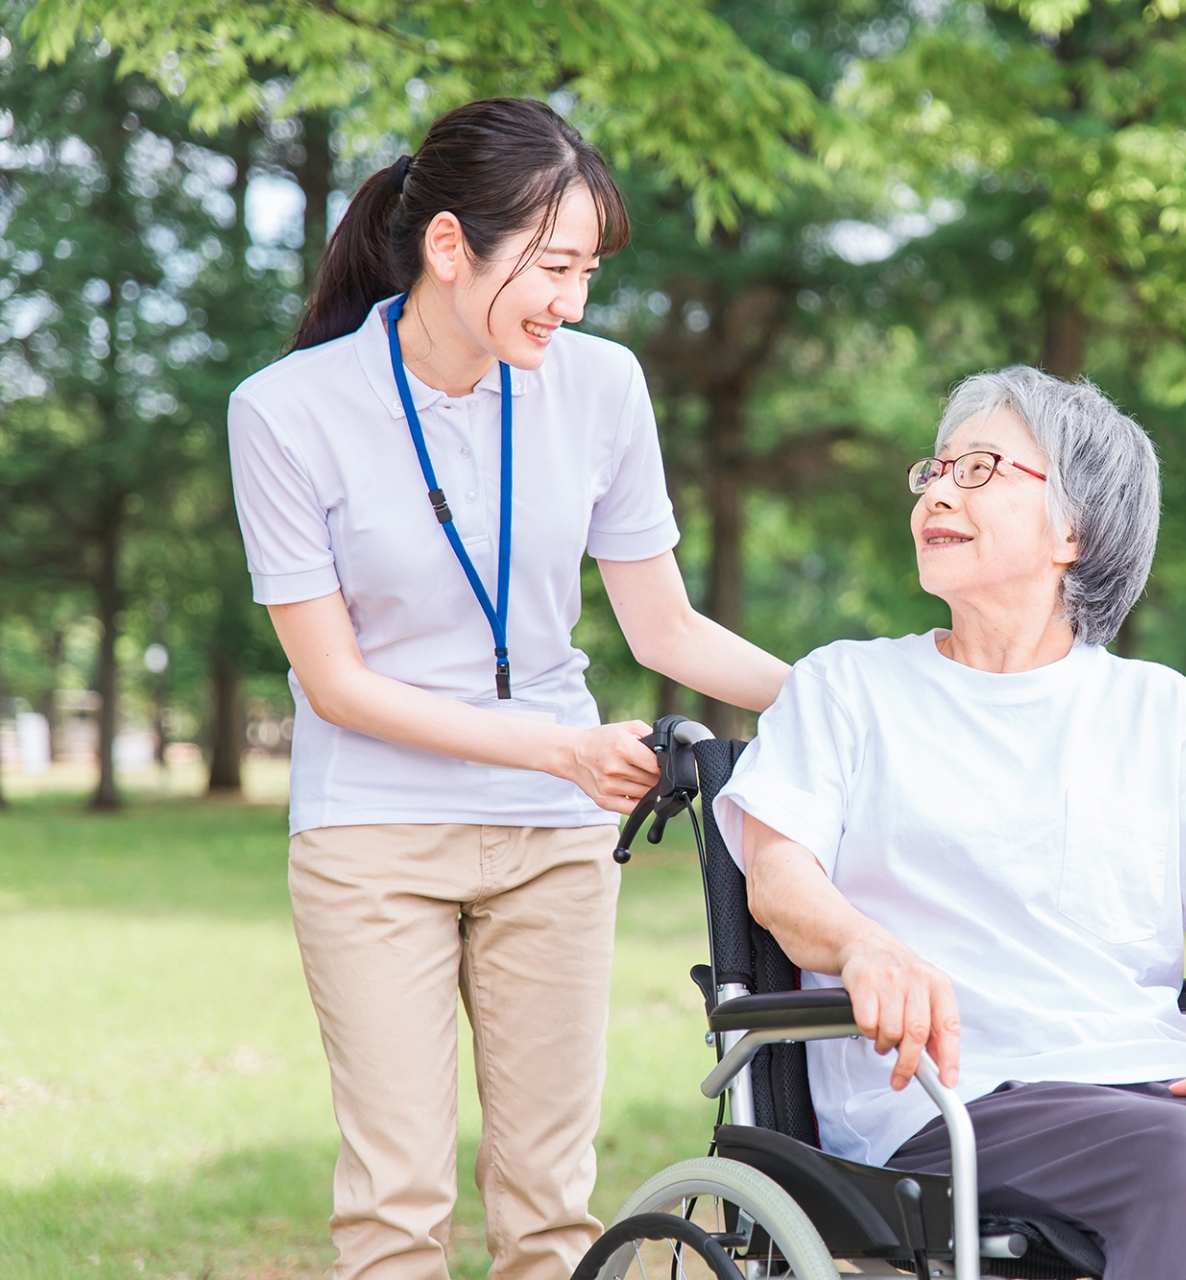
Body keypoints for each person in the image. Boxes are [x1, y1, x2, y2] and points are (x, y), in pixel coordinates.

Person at [228, 98, 788, 1280]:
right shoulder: (285, 412)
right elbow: (333, 684)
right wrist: (560, 750)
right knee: (395, 1207)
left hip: (554, 841)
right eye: (553, 268)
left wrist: (849, 698)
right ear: (448, 248)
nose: (573, 301)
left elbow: (665, 623)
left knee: (549, 1210)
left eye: (587, 270)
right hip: (374, 832)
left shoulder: (601, 387)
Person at [713, 367, 1186, 1280]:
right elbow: (780, 878)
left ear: (1072, 531)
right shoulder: (847, 686)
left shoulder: (1158, 709)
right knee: (1181, 1165)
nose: (940, 491)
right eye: (938, 469)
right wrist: (863, 944)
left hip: (1144, 1083)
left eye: (983, 468)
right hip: (948, 1103)